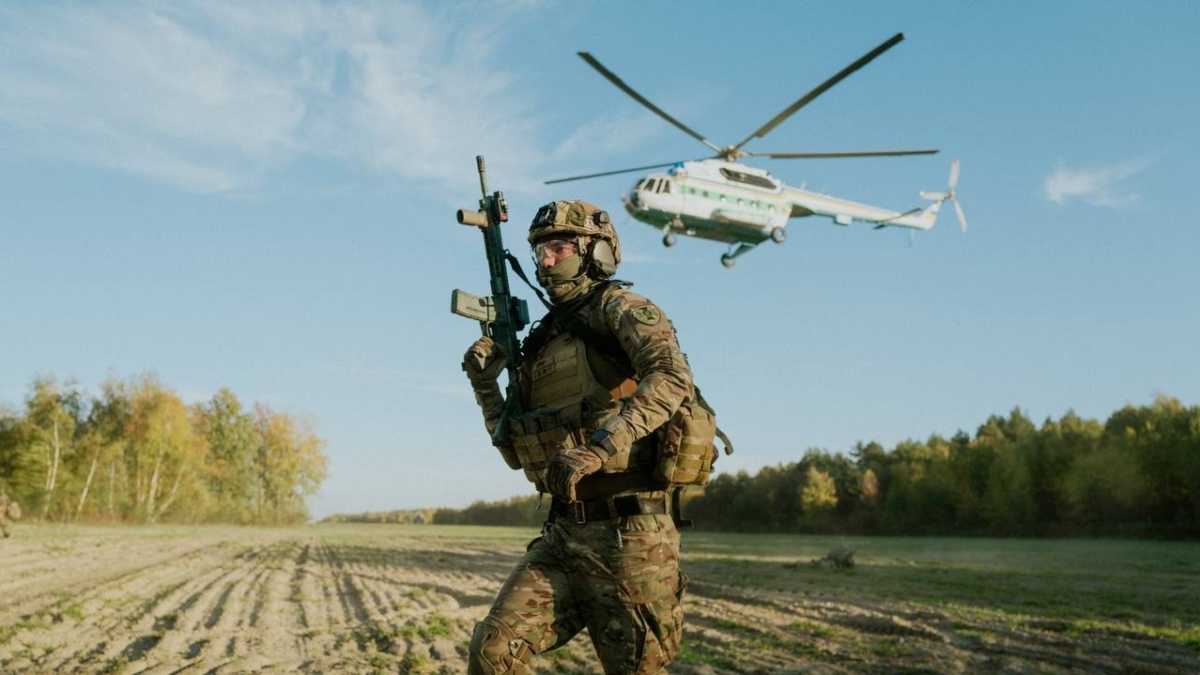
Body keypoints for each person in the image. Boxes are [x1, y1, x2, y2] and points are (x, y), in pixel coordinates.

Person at [462, 200, 695, 674]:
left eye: (560, 247)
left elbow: (671, 377)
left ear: (597, 252)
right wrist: (485, 384)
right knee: (492, 652)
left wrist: (600, 447)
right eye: (541, 251)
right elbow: (513, 448)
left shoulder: (622, 308)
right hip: (564, 535)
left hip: (633, 540)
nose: (547, 260)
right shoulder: (543, 340)